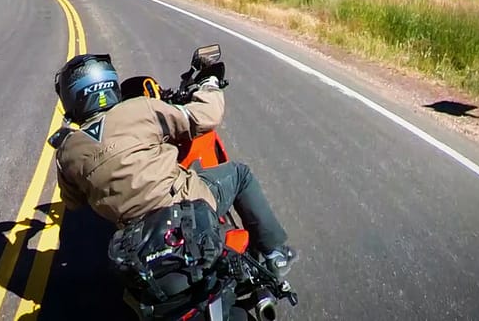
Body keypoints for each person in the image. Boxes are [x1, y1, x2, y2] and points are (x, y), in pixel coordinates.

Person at [48, 53, 298, 279]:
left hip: (137, 238)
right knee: (240, 174)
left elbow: (74, 202)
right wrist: (209, 85)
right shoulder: (139, 108)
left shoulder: (67, 151)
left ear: (71, 99)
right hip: (188, 205)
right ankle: (275, 253)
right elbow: (205, 116)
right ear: (110, 83)